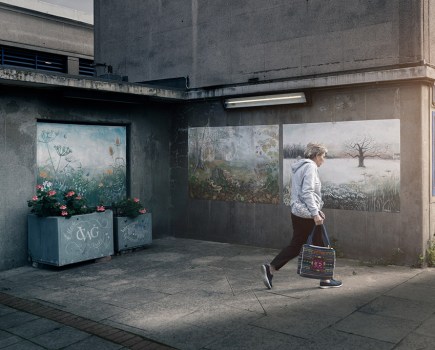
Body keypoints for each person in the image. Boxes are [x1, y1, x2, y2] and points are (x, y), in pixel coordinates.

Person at [261, 143, 342, 289]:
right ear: (316, 155)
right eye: (323, 156)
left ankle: (271, 268)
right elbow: (307, 192)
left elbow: (301, 193)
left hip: (298, 212)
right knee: (322, 244)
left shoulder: (300, 167)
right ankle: (326, 280)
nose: (323, 160)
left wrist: (317, 210)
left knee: (297, 244)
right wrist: (314, 213)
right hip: (307, 214)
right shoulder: (310, 167)